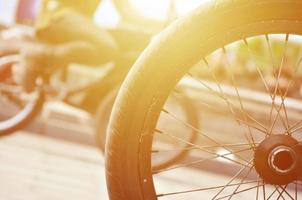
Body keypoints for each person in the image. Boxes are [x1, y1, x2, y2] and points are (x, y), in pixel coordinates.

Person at [0, 0, 119, 93]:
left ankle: (48, 72)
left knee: (95, 44)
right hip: (60, 14)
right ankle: (38, 56)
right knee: (106, 46)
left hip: (69, 16)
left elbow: (123, 5)